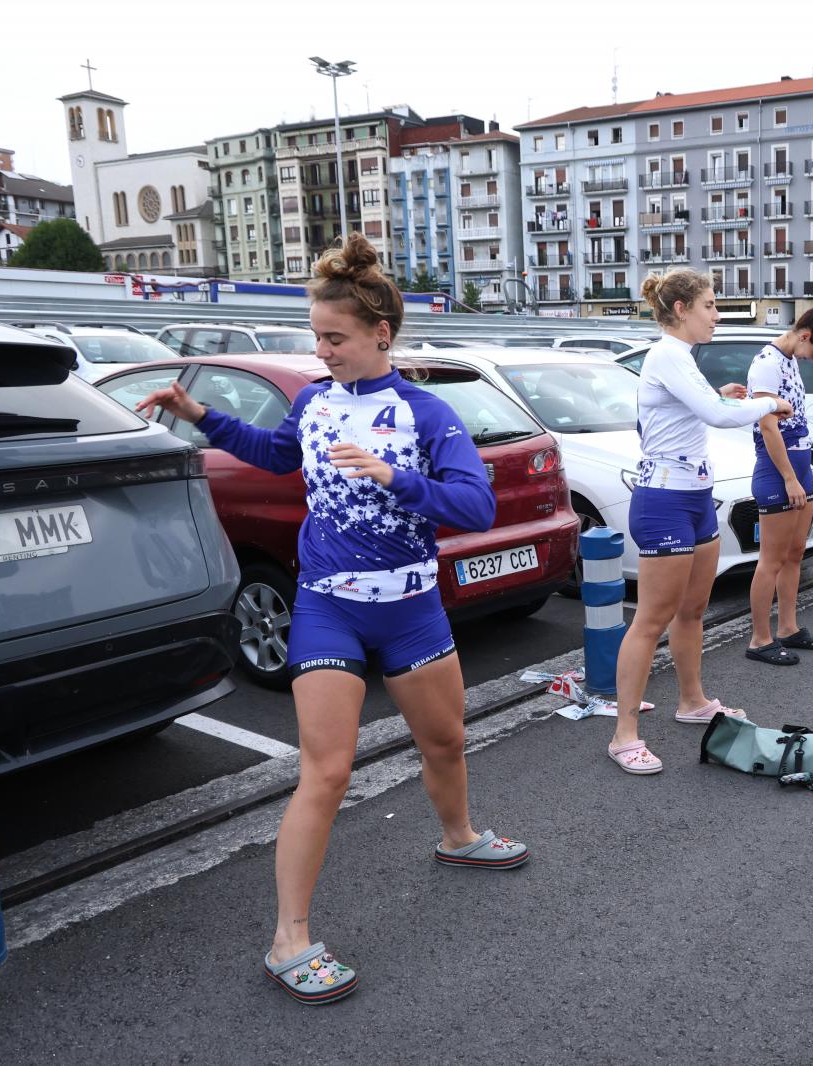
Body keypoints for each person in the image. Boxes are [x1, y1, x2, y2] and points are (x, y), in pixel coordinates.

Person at [135, 233, 522, 1006]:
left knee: (445, 740)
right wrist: (198, 412)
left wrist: (398, 477)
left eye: (334, 338)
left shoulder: (425, 410)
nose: (322, 351)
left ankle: (459, 838)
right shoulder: (312, 401)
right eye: (316, 337)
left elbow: (475, 505)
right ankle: (290, 939)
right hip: (327, 608)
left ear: (382, 334)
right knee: (328, 770)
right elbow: (277, 454)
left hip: (411, 610)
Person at [608, 270, 792, 774]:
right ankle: (624, 734)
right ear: (683, 308)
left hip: (695, 495)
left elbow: (700, 407)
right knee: (651, 620)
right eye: (710, 306)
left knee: (693, 609)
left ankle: (692, 701)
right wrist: (768, 403)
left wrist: (727, 396)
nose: (717, 315)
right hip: (664, 499)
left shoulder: (681, 359)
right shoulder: (667, 351)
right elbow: (715, 415)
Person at [744, 299, 813, 665]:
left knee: (793, 555)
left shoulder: (787, 360)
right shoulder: (767, 364)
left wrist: (802, 475)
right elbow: (767, 426)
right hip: (777, 473)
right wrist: (789, 477)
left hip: (801, 468)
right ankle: (759, 639)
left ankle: (787, 627)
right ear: (804, 335)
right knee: (770, 561)